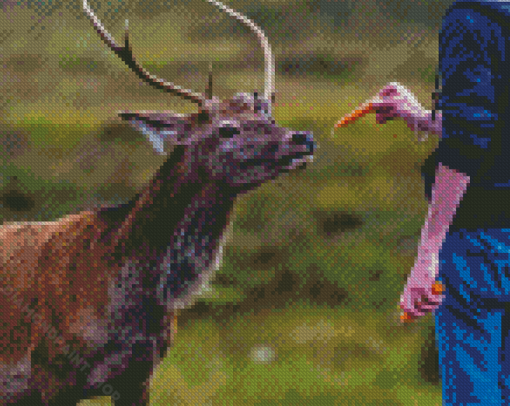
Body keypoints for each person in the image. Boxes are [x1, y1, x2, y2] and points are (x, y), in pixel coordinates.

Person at [338, 1, 510, 404]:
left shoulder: (472, 20)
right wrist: (424, 117)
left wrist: (428, 251)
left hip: (481, 242)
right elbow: (493, 124)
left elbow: (471, 137)